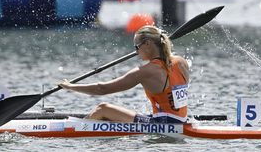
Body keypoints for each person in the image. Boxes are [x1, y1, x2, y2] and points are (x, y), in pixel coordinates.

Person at [59, 25, 190, 124]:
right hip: (181, 121)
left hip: (163, 124)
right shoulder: (181, 62)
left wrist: (70, 86)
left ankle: (79, 129)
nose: (136, 52)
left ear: (148, 44)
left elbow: (102, 89)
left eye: (137, 47)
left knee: (102, 108)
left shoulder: (147, 71)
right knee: (112, 114)